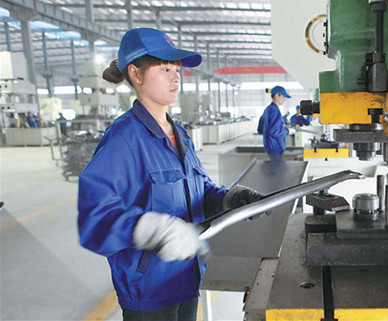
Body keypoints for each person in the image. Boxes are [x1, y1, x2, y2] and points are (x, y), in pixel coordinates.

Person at [78, 28, 263, 321]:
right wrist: (154, 230)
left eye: (177, 69)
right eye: (165, 68)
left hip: (186, 277)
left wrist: (229, 198)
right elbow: (94, 217)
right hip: (149, 292)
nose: (176, 77)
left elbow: (199, 188)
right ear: (136, 74)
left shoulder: (180, 134)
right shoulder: (124, 139)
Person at [257, 86, 295, 162]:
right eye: (284, 96)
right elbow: (275, 131)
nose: (284, 99)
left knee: (273, 169)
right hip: (276, 147)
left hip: (269, 146)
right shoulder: (275, 110)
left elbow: (260, 129)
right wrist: (288, 131)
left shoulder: (268, 109)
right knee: (276, 170)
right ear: (277, 95)